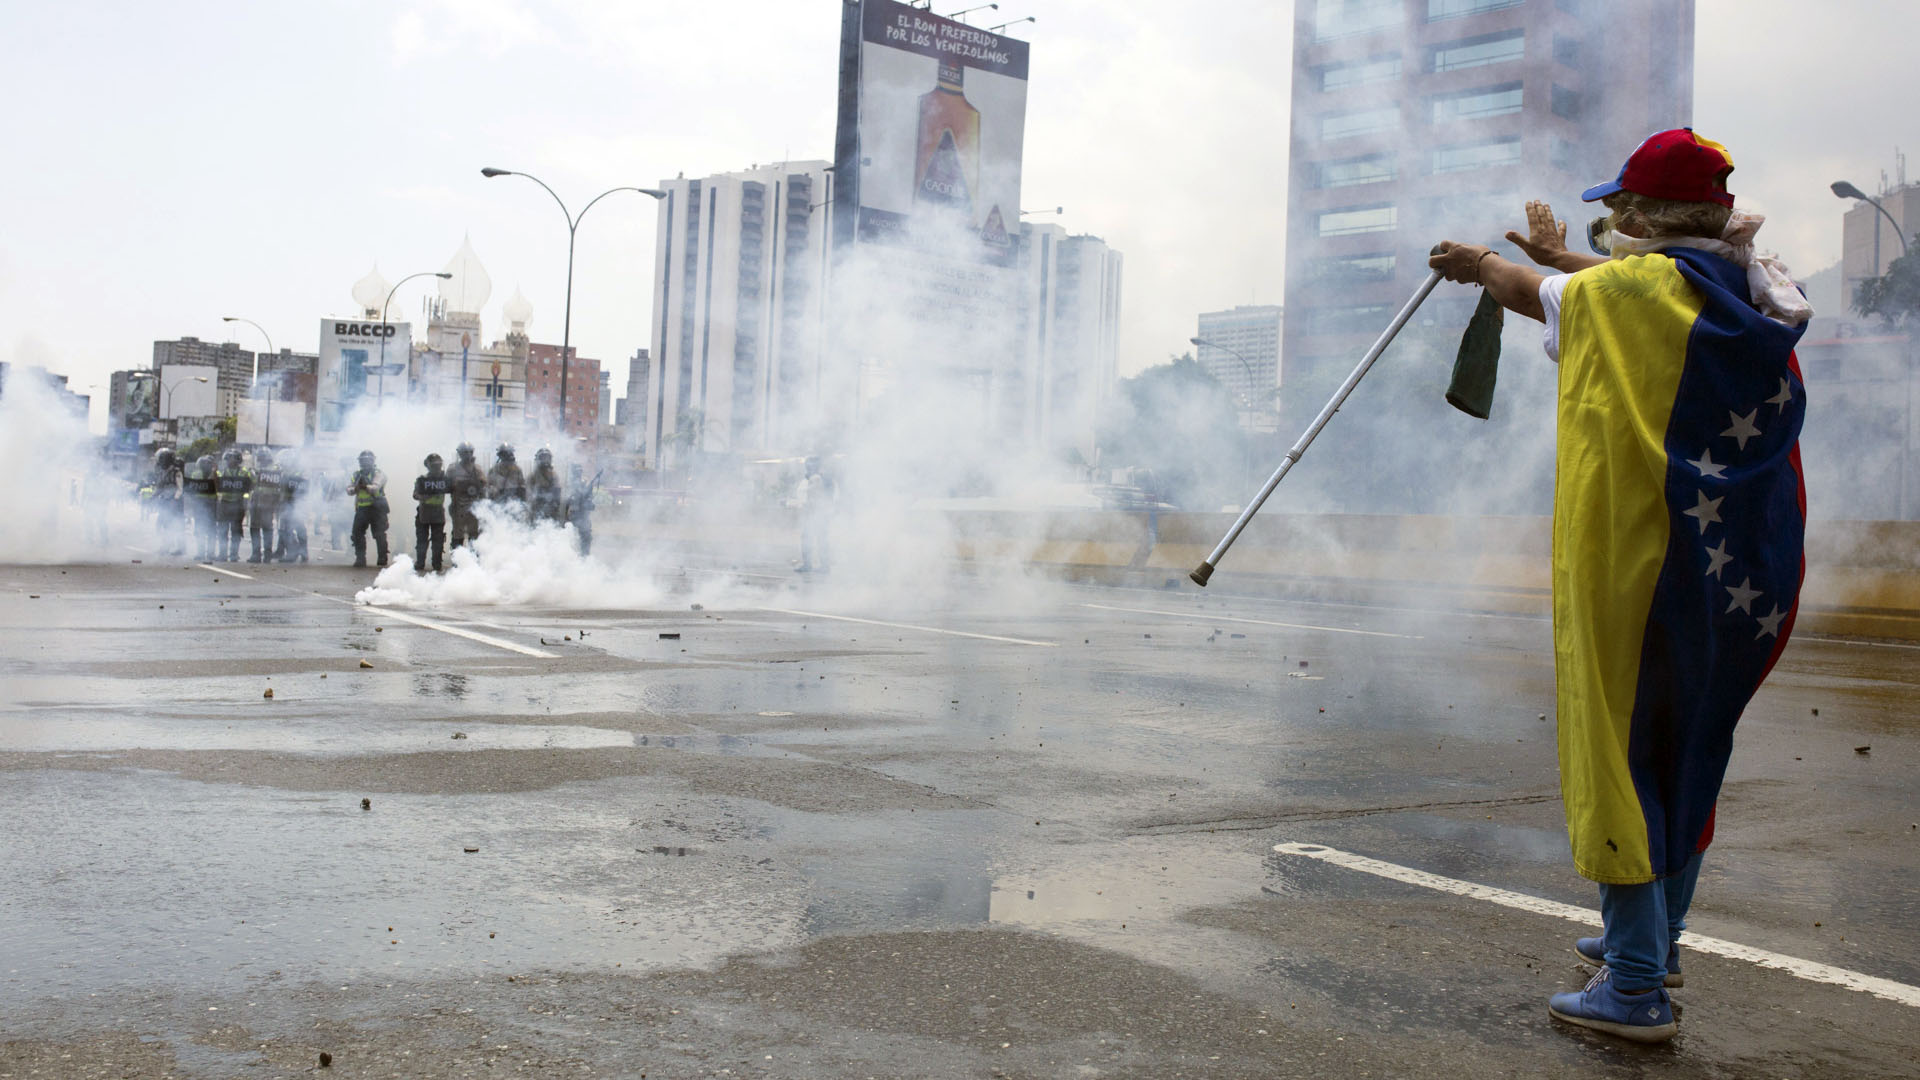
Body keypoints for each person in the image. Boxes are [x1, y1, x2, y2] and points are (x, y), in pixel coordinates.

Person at [1428, 129, 1810, 1044]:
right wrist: (1557, 258)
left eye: (1617, 213)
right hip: (1744, 571)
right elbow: (1611, 290)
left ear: (1639, 220)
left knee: (1622, 743)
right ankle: (1655, 941)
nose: (1609, 226)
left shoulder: (1624, 292)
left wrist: (1479, 262)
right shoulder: (1754, 292)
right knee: (1690, 745)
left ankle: (1635, 985)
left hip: (1640, 565)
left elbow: (1550, 294)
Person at [348, 449, 390, 568]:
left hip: (377, 508)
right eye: (363, 461)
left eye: (367, 461)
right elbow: (349, 490)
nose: (365, 463)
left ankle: (382, 558)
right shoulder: (356, 474)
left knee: (379, 534)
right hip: (362, 509)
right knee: (357, 534)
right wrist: (356, 488)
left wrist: (364, 486)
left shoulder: (378, 473)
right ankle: (360, 558)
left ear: (372, 461)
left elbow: (375, 488)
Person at [412, 452, 451, 573]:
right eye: (434, 465)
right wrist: (422, 497)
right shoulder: (422, 480)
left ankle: (437, 563)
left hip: (438, 512)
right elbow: (415, 494)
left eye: (438, 465)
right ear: (428, 466)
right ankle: (420, 563)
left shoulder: (445, 480)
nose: (437, 468)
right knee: (422, 540)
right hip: (424, 512)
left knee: (438, 540)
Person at [213, 448, 253, 562]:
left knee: (236, 531)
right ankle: (222, 554)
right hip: (224, 503)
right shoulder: (222, 471)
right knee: (222, 530)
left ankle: (234, 554)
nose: (231, 461)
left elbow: (252, 483)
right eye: (229, 459)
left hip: (238, 504)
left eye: (234, 459)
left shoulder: (244, 472)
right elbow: (215, 482)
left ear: (238, 460)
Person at [794, 455, 832, 574]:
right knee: (818, 539)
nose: (807, 467)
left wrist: (790, 503)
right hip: (817, 514)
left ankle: (812, 565)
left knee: (811, 539)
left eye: (809, 465)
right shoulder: (816, 478)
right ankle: (820, 565)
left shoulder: (816, 479)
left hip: (815, 514)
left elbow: (811, 498)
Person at [447, 441, 485, 550]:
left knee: (473, 534)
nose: (468, 455)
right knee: (458, 534)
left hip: (473, 506)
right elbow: (448, 485)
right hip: (458, 506)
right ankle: (457, 559)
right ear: (459, 453)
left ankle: (473, 559)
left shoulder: (477, 468)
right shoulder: (453, 468)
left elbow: (483, 483)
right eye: (465, 452)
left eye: (470, 452)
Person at [247, 448, 283, 564]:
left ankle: (266, 554)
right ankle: (256, 554)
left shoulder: (275, 470)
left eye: (261, 457)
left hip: (267, 503)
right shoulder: (257, 470)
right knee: (255, 528)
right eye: (259, 457)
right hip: (257, 502)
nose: (260, 459)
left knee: (266, 529)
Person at [148, 447, 185, 555]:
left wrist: (175, 500)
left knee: (177, 525)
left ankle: (181, 548)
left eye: (161, 458)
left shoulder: (176, 472)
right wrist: (152, 497)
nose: (159, 461)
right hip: (165, 501)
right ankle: (166, 546)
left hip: (175, 502)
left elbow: (180, 488)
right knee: (164, 524)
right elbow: (160, 487)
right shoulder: (161, 472)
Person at [276, 453, 310, 563]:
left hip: (293, 505)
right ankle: (302, 552)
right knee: (297, 529)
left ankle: (293, 553)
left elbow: (301, 491)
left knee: (288, 529)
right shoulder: (292, 473)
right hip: (291, 505)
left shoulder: (297, 475)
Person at [185, 454, 218, 560]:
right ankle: (203, 552)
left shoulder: (215, 474)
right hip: (202, 504)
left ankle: (207, 553)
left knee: (209, 530)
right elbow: (192, 489)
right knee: (202, 529)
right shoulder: (197, 474)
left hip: (209, 504)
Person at [486, 443, 527, 521]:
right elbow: (488, 487)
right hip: (498, 503)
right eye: (506, 454)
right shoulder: (494, 470)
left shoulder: (517, 469)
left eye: (509, 453)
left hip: (514, 502)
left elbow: (522, 486)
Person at [564, 463, 596, 555]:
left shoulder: (583, 484)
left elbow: (588, 497)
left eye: (580, 471)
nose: (579, 473)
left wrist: (589, 500)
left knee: (586, 536)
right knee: (570, 537)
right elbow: (567, 499)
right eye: (577, 471)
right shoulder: (569, 484)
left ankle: (584, 556)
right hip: (571, 515)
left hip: (583, 515)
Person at [527, 446, 563, 524]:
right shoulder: (533, 476)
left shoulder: (553, 475)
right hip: (537, 509)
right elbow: (528, 492)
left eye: (547, 458)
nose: (545, 460)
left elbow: (557, 491)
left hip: (551, 509)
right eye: (543, 458)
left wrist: (553, 500)